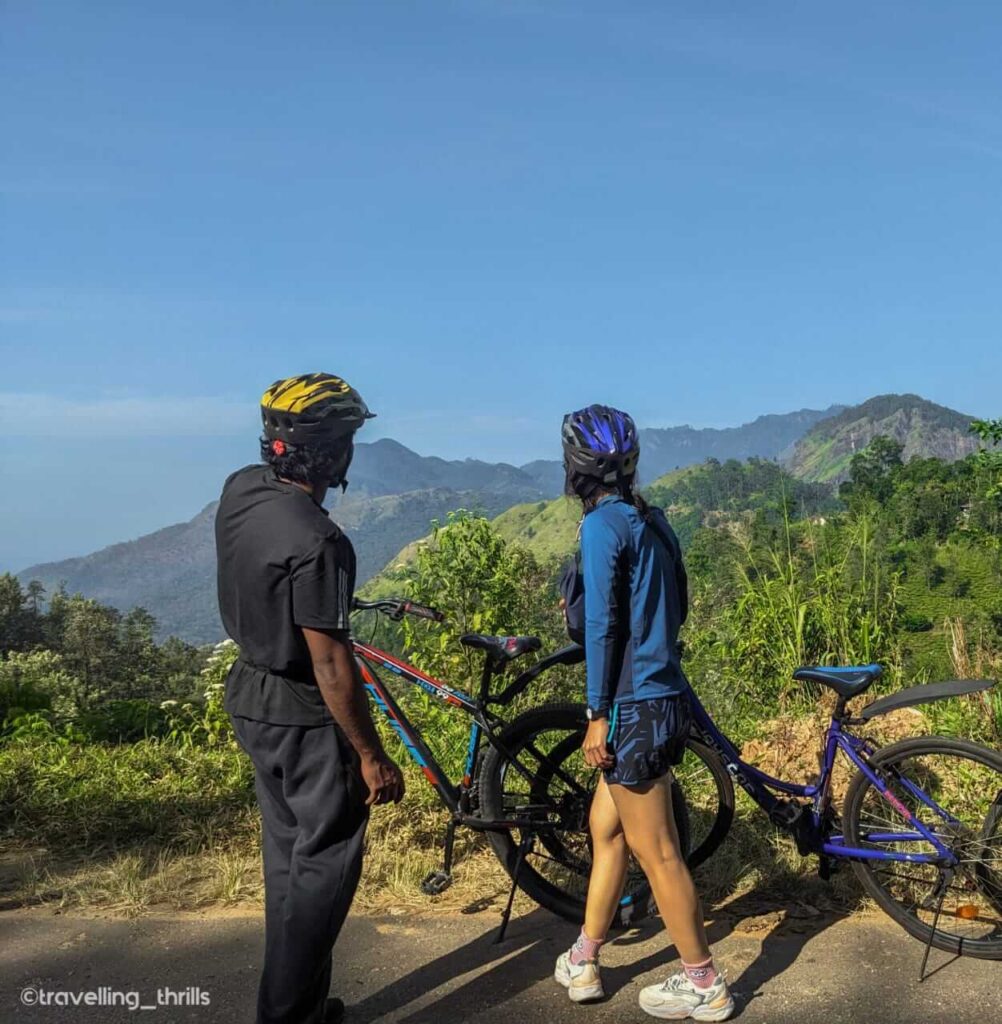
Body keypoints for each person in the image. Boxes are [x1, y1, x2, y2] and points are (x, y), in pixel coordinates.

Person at [215, 373, 405, 1024]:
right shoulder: (321, 542)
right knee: (325, 869)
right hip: (303, 715)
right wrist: (370, 756)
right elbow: (330, 662)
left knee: (289, 863)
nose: (353, 451)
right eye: (348, 438)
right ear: (328, 453)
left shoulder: (240, 490)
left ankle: (304, 1004)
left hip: (250, 696)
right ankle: (287, 1015)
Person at [554, 404, 734, 1022]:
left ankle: (704, 982)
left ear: (575, 466)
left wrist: (597, 712)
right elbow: (676, 602)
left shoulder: (604, 526)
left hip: (630, 706)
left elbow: (602, 626)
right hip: (663, 695)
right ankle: (584, 958)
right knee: (607, 831)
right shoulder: (652, 520)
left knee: (657, 851)